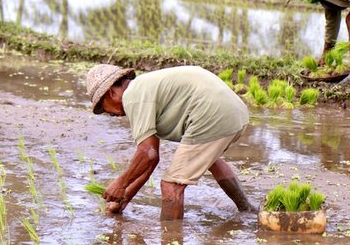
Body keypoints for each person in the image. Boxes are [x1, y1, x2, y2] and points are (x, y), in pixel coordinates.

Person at [86, 64, 256, 220]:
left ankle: (170, 236)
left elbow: (148, 154)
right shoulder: (146, 88)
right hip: (235, 112)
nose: (109, 114)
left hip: (212, 113)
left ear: (110, 93)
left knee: (171, 186)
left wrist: (120, 183)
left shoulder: (133, 97)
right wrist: (124, 198)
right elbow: (151, 160)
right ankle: (247, 208)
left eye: (103, 108)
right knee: (211, 160)